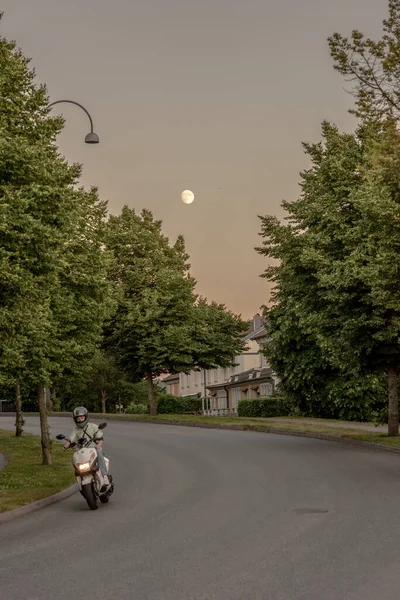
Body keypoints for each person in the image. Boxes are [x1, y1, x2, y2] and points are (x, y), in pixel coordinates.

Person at [64, 406, 109, 489]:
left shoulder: (92, 426)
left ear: (86, 417)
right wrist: (68, 443)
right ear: (75, 419)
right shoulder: (76, 430)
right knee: (75, 458)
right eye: (78, 418)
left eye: (81, 417)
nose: (80, 420)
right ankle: (80, 477)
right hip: (83, 451)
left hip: (94, 449)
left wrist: (98, 445)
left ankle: (105, 476)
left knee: (99, 454)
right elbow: (72, 437)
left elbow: (100, 435)